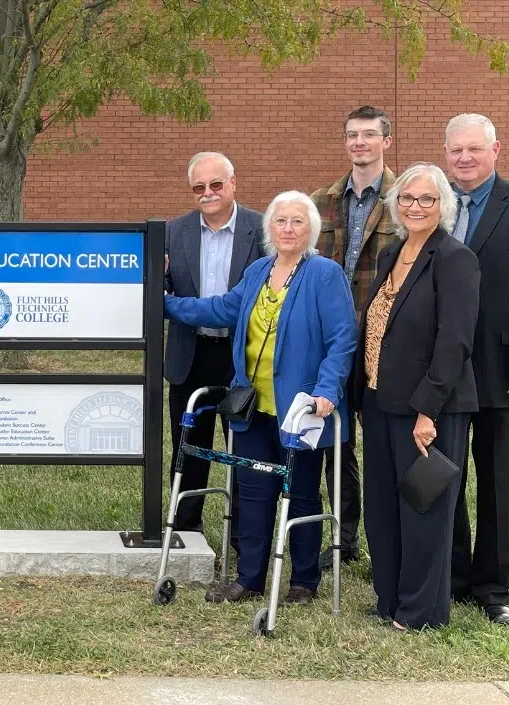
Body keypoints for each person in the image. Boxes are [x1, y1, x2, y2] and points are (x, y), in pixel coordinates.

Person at [165, 191, 357, 605]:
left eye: (297, 222)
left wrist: (327, 389)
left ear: (311, 230)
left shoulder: (325, 274)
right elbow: (221, 309)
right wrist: (165, 305)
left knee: (302, 492)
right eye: (281, 221)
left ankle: (303, 582)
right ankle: (249, 577)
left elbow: (342, 340)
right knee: (252, 490)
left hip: (300, 409)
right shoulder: (257, 270)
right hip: (252, 407)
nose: (288, 229)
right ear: (270, 227)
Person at [354, 162, 478, 631]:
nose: (414, 207)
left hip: (430, 409)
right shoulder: (392, 253)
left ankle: (422, 611)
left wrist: (428, 408)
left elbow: (455, 340)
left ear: (443, 205)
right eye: (406, 198)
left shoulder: (454, 258)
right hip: (381, 400)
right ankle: (391, 599)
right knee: (383, 507)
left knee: (423, 506)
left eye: (426, 199)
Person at [311, 105, 399, 570]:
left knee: (385, 444)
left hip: (387, 342)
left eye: (368, 135)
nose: (359, 143)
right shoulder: (322, 200)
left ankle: (390, 539)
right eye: (352, 135)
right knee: (336, 444)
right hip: (334, 343)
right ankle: (345, 540)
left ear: (387, 140)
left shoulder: (407, 198)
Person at [165, 152, 263, 541]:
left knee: (244, 448)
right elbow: (161, 290)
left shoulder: (261, 228)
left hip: (243, 355)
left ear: (233, 183)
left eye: (216, 185)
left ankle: (242, 534)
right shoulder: (174, 231)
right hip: (190, 355)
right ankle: (186, 527)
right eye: (199, 187)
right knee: (188, 446)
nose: (208, 193)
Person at [444, 113, 509, 625]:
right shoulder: (431, 203)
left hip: (500, 366)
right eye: (455, 150)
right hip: (443, 369)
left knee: (499, 479)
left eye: (474, 149)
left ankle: (492, 588)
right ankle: (451, 576)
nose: (464, 159)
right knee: (443, 474)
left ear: (496, 150)